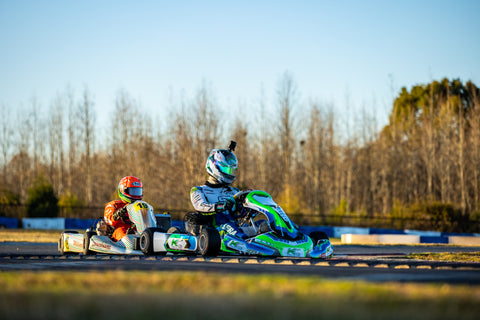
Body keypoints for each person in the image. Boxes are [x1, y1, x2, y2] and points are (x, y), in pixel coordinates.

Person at [187, 141, 248, 238]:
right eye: (227, 170)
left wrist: (248, 209)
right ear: (214, 167)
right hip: (214, 230)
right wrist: (221, 206)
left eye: (231, 171)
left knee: (263, 224)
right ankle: (242, 239)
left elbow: (242, 212)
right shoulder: (198, 190)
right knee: (221, 217)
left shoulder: (235, 191)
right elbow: (200, 206)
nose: (229, 174)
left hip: (235, 227)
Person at [104, 176, 143, 241]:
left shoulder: (141, 205)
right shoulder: (114, 204)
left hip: (138, 231)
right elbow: (109, 220)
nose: (136, 194)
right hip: (119, 231)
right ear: (124, 190)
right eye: (133, 191)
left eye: (137, 191)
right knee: (121, 232)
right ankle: (130, 239)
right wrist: (116, 215)